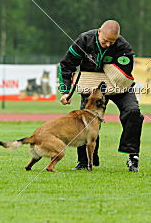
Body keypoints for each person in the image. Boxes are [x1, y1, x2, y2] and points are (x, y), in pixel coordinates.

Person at [58, 20, 143, 172]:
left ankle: (132, 157)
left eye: (112, 42)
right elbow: (66, 65)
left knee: (133, 112)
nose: (109, 45)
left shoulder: (124, 47)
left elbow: (124, 74)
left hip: (119, 87)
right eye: (105, 41)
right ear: (99, 32)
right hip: (92, 87)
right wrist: (65, 91)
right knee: (84, 120)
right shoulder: (84, 41)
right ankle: (84, 162)